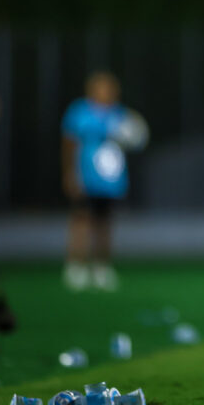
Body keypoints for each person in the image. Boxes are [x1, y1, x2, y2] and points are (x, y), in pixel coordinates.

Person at [61, 71, 148, 292]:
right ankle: (76, 266)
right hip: (86, 175)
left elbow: (136, 137)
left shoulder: (120, 115)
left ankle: (102, 267)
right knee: (81, 219)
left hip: (109, 179)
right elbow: (69, 144)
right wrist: (70, 173)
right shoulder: (79, 112)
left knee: (104, 222)